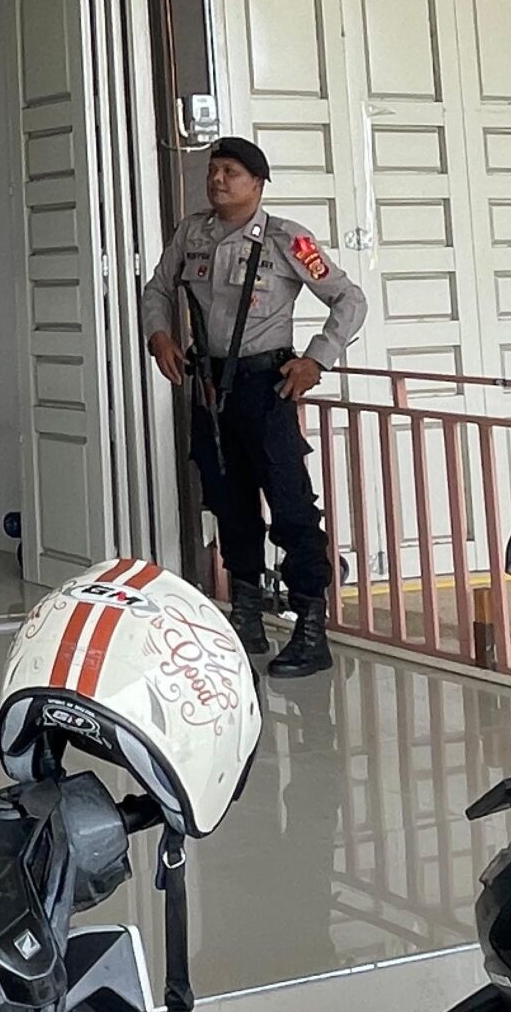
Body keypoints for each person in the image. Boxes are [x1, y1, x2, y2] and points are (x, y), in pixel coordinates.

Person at [140, 136, 365, 681]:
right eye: (213, 170)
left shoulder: (287, 239)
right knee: (228, 501)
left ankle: (310, 626)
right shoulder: (192, 233)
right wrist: (160, 336)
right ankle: (246, 615)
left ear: (258, 183)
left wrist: (316, 359)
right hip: (211, 388)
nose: (217, 180)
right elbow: (157, 289)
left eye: (231, 173)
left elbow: (349, 299)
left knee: (290, 505)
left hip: (267, 388)